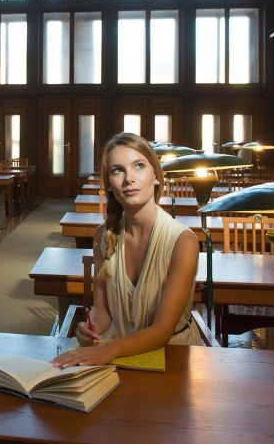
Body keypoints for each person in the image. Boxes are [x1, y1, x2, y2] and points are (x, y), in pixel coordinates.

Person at [51, 132, 200, 368]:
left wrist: (112, 349)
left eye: (138, 166)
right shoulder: (103, 235)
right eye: (117, 170)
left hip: (172, 357)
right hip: (117, 353)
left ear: (156, 176)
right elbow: (102, 312)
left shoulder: (183, 241)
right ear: (110, 185)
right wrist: (90, 328)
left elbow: (162, 330)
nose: (128, 178)